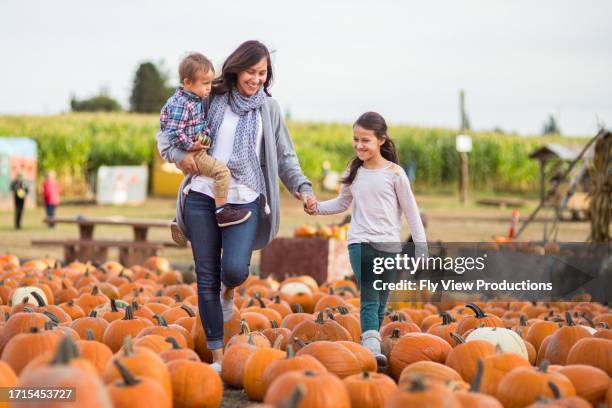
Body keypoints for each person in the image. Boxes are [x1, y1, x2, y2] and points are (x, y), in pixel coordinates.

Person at [157, 40, 314, 372]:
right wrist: (181, 157)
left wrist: (301, 187)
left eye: (263, 73)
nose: (256, 79)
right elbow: (166, 134)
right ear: (236, 68)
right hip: (202, 193)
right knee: (206, 276)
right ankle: (216, 355)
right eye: (250, 72)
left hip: (245, 197)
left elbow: (285, 157)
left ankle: (230, 290)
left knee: (235, 270)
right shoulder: (209, 96)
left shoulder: (268, 110)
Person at [305, 112, 428, 368]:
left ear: (381, 140)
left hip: (390, 247)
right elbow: (342, 202)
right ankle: (372, 349)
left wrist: (421, 247)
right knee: (370, 297)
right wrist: (316, 208)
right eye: (356, 140)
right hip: (361, 243)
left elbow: (412, 212)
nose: (359, 145)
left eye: (365, 140)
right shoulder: (354, 170)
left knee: (382, 300)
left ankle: (369, 345)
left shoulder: (395, 174)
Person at [161, 52, 251, 240]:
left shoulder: (193, 100)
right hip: (194, 151)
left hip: (198, 147)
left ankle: (180, 219)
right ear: (187, 82)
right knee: (221, 173)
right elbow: (172, 132)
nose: (209, 88)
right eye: (205, 84)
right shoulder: (182, 104)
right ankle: (222, 211)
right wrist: (191, 146)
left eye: (210, 83)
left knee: (192, 183)